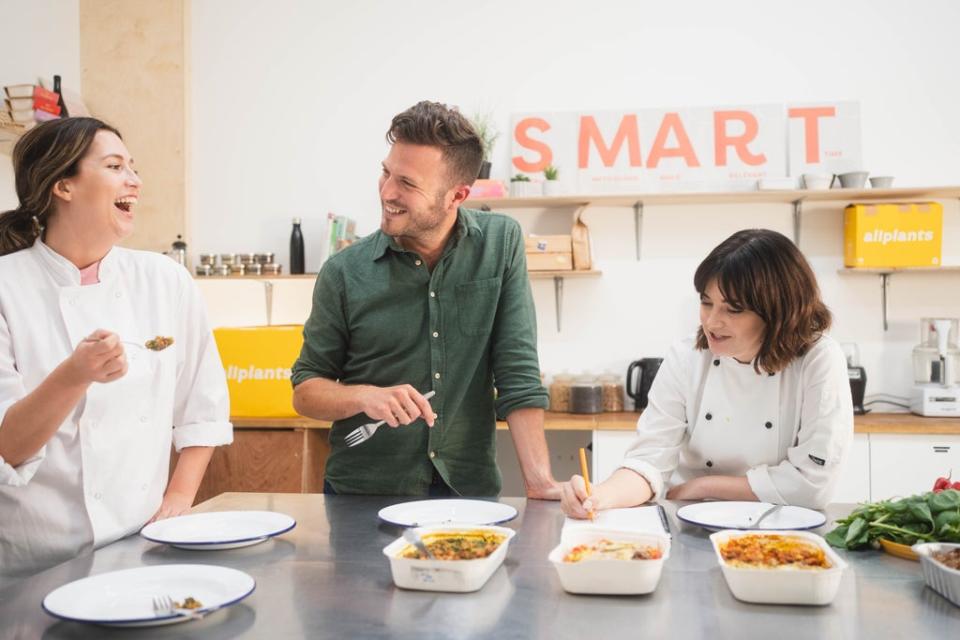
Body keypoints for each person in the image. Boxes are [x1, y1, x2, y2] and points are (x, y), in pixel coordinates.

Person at [0, 118, 232, 579]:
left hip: (139, 546)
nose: (135, 181)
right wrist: (75, 375)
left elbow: (202, 411)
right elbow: (8, 445)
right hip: (33, 561)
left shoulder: (165, 280)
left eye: (133, 167)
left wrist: (177, 504)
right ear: (62, 185)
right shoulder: (8, 287)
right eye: (115, 166)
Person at [292, 101, 559, 499]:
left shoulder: (500, 244)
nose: (387, 192)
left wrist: (540, 482)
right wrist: (363, 395)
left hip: (466, 491)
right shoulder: (344, 272)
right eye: (386, 172)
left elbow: (517, 371)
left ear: (458, 195)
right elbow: (305, 390)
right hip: (365, 494)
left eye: (408, 184)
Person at [562, 228, 853, 517]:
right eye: (706, 302)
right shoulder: (686, 357)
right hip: (692, 523)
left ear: (779, 312)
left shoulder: (819, 360)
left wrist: (703, 487)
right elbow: (649, 461)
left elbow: (813, 485)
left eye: (733, 309)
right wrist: (599, 496)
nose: (712, 322)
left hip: (780, 531)